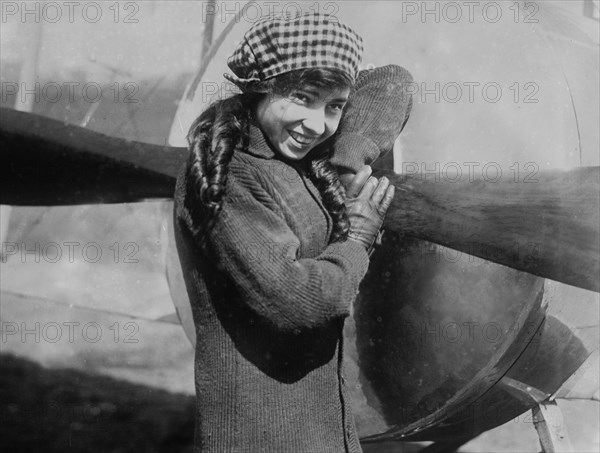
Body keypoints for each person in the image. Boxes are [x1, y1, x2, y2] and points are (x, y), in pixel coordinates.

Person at [174, 12, 412, 452]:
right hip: (261, 433)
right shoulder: (228, 173)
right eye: (302, 98)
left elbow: (391, 82)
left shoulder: (292, 158)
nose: (317, 124)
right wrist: (356, 239)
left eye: (334, 106)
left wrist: (347, 163)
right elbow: (299, 303)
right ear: (261, 86)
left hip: (320, 426)